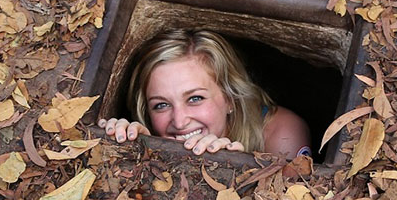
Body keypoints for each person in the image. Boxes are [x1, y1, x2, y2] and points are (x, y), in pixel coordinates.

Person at [98, 29, 311, 159]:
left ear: (230, 98)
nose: (179, 122)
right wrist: (132, 149)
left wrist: (234, 171)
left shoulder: (281, 133)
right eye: (161, 105)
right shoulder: (155, 131)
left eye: (195, 98)